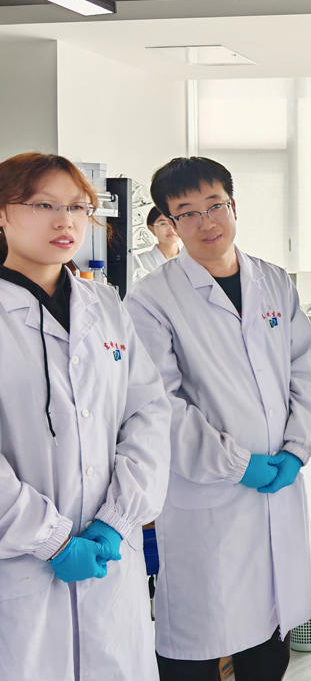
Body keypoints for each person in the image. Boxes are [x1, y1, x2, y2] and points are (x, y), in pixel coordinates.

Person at [125, 157, 311, 681]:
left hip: (278, 486)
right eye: (187, 212)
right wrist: (238, 464)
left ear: (233, 205)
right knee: (200, 643)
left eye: (214, 205)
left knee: (270, 645)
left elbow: (306, 373)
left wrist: (296, 450)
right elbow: (160, 404)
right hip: (209, 498)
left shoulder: (274, 282)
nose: (206, 221)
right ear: (170, 222)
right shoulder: (152, 298)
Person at [0, 152, 171, 679]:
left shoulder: (107, 306)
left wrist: (116, 520)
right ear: (2, 213)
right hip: (20, 570)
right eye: (44, 205)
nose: (65, 221)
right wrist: (50, 538)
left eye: (78, 207)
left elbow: (148, 413)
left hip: (109, 561)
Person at [134, 206, 180, 281]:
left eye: (174, 222)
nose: (171, 228)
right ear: (151, 229)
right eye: (163, 223)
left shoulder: (193, 260)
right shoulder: (139, 262)